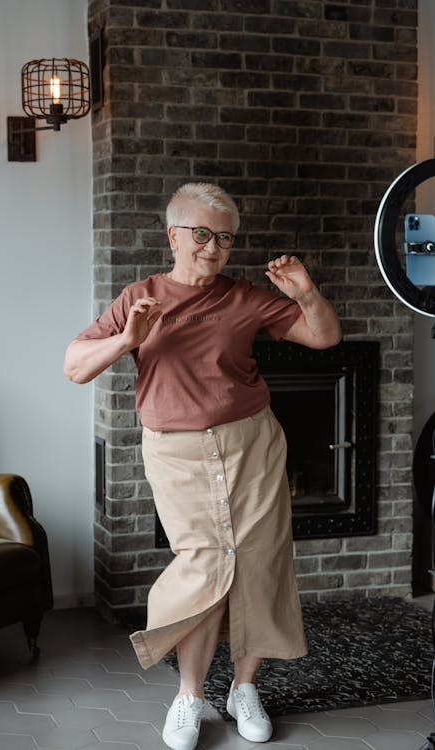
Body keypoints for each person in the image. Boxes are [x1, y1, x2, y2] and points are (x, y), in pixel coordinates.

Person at [64, 182, 341, 750]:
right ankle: (190, 695)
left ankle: (244, 688)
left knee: (261, 563)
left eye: (225, 238)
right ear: (174, 236)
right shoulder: (139, 295)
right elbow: (74, 366)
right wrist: (126, 339)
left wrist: (307, 293)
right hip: (177, 451)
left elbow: (324, 337)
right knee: (204, 567)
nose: (214, 247)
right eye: (202, 234)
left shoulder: (243, 297)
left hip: (252, 444)